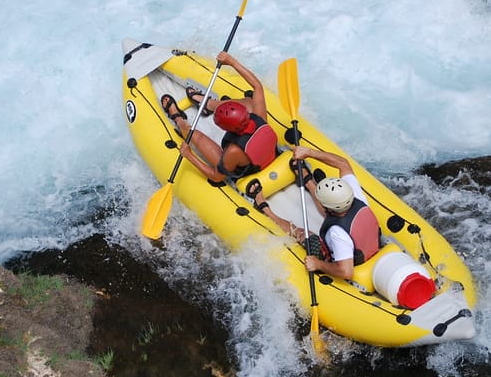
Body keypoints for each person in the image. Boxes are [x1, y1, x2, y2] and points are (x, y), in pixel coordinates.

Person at [162, 51, 301, 238]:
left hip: (249, 170)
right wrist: (232, 62)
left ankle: (178, 119)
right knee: (249, 101)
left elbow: (216, 176)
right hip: (272, 155)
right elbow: (257, 85)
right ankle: (207, 103)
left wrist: (189, 156)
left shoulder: (234, 151)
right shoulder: (259, 116)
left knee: (197, 137)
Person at [291, 145, 381, 280]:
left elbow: (346, 272)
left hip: (352, 260)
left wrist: (318, 264)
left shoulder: (336, 233)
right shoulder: (356, 195)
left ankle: (265, 209)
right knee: (334, 210)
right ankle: (307, 180)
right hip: (368, 245)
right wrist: (309, 152)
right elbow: (343, 164)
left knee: (304, 235)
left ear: (328, 208)